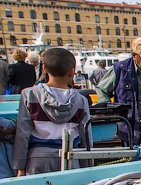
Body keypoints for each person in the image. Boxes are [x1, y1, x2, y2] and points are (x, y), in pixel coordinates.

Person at [13, 47, 90, 175]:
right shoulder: (81, 101)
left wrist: (20, 166)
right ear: (72, 72)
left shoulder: (30, 95)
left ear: (44, 69)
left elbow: (22, 133)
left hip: (38, 159)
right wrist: (87, 165)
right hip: (72, 158)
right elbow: (86, 137)